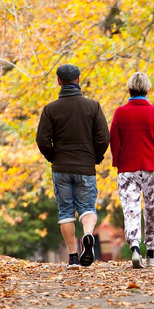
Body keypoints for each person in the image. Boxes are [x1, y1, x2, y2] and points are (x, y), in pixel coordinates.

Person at [35, 63, 109, 269]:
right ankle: (87, 235)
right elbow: (103, 137)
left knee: (66, 211)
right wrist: (95, 156)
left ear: (59, 82)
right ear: (78, 80)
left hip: (61, 168)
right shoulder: (92, 106)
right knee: (87, 208)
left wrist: (53, 157)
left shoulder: (50, 109)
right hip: (85, 167)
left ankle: (73, 258)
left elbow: (42, 140)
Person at [109, 71, 154, 269]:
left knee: (131, 209)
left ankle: (135, 247)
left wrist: (117, 161)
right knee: (151, 209)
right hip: (152, 166)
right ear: (147, 89)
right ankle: (151, 250)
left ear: (129, 89)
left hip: (128, 167)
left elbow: (114, 140)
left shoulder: (120, 113)